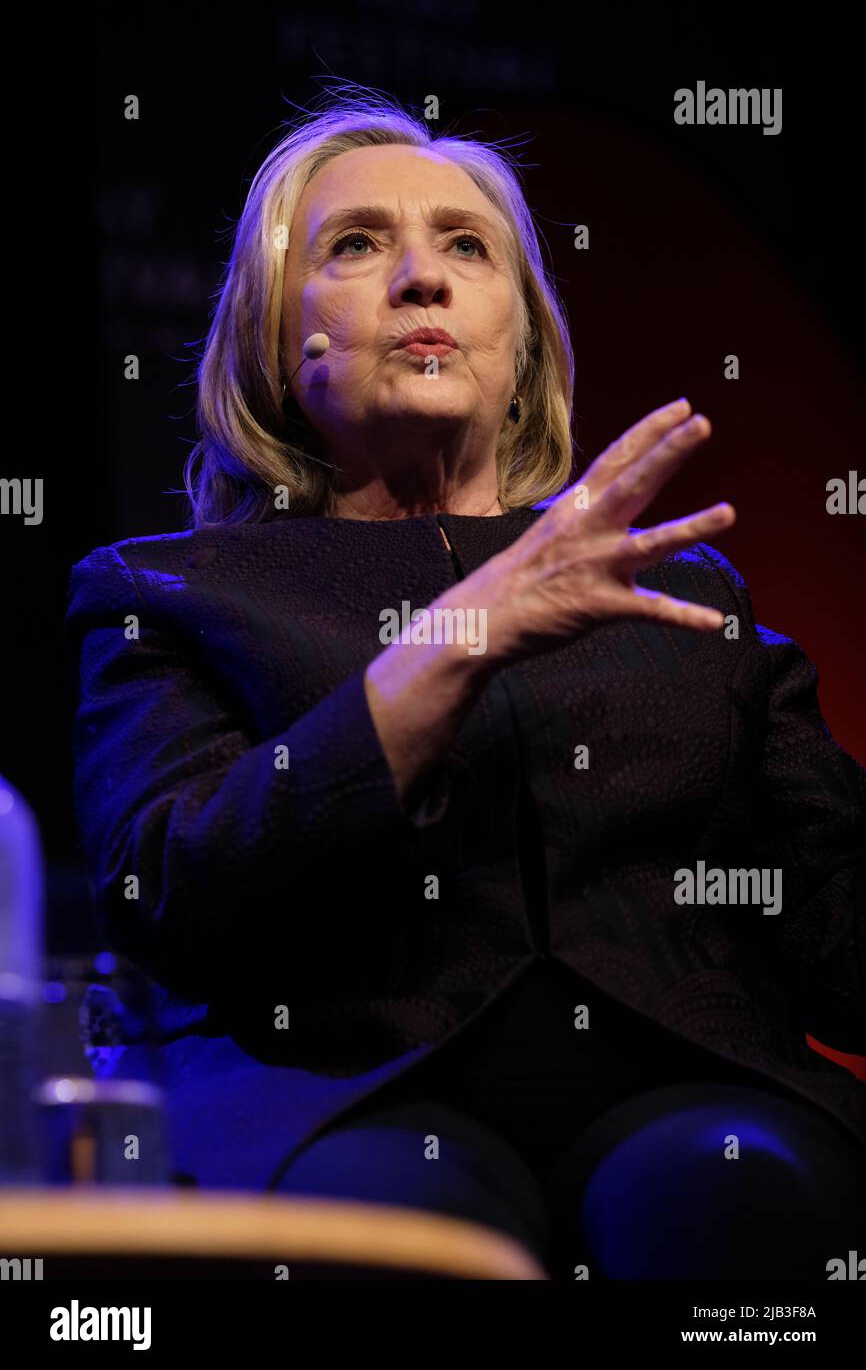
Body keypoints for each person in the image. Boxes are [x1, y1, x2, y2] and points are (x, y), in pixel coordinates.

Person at [65, 89, 866, 1281]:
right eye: (354, 244)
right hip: (337, 1104)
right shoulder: (167, 590)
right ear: (276, 335)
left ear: (522, 342)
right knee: (403, 1232)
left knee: (729, 1196)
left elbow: (835, 938)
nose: (420, 280)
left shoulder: (691, 593)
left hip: (687, 1084)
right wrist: (458, 637)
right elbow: (170, 885)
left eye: (464, 246)